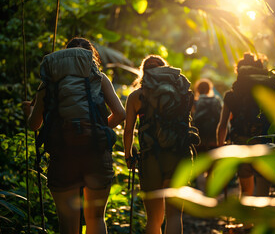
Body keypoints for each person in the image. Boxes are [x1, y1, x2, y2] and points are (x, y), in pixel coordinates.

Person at [23, 37, 126, 234]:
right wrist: (98, 130)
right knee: (96, 218)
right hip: (95, 152)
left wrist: (28, 111)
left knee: (67, 224)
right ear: (90, 56)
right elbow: (120, 114)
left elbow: (34, 125)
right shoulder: (99, 77)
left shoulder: (48, 83)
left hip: (62, 155)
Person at [124, 55, 196, 234]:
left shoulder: (136, 97)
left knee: (154, 219)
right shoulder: (181, 93)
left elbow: (128, 130)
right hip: (178, 154)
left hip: (150, 159)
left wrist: (128, 154)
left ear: (144, 73)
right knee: (174, 216)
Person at [217, 53, 275, 198]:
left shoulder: (231, 95)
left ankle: (247, 221)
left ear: (238, 72)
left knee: (246, 193)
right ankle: (262, 218)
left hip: (241, 144)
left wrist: (220, 149)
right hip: (265, 143)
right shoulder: (270, 89)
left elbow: (222, 125)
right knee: (264, 193)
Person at [192, 78, 222, 192]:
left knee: (199, 165)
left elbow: (192, 120)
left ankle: (201, 190)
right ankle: (210, 191)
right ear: (210, 89)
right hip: (214, 139)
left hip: (199, 141)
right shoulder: (217, 100)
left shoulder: (195, 102)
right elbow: (222, 120)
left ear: (198, 90)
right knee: (211, 167)